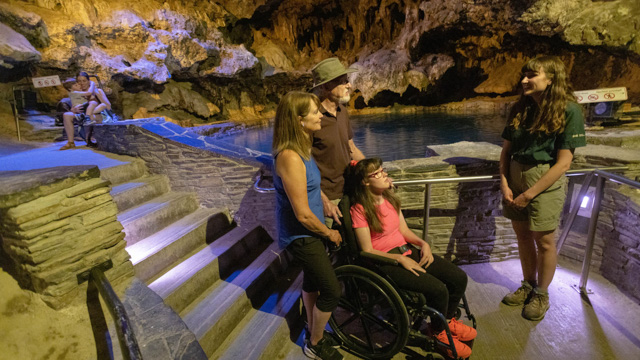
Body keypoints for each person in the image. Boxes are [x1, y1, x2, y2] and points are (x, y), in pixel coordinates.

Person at [345, 158, 476, 359]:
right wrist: (399, 260)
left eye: (383, 170)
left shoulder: (390, 200)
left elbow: (404, 231)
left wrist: (423, 244)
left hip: (406, 250)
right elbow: (366, 249)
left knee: (458, 277)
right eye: (377, 173)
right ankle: (439, 334)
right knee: (438, 289)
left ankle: (447, 321)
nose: (384, 174)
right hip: (386, 261)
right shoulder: (359, 209)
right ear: (365, 182)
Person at [499, 56, 586, 321]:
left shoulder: (569, 111)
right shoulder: (520, 109)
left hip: (544, 180)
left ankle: (541, 293)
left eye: (532, 75)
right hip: (515, 175)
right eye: (524, 75)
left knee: (545, 241)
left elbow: (563, 163)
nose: (524, 80)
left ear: (551, 79)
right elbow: (505, 153)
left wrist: (529, 193)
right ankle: (527, 284)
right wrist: (505, 183)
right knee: (523, 236)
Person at [272, 91, 344, 360]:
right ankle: (315, 343)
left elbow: (309, 185)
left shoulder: (303, 146)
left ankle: (312, 327)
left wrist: (324, 200)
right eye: (314, 112)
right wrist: (329, 233)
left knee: (312, 283)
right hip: (301, 235)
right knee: (332, 289)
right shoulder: (289, 156)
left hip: (310, 230)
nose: (319, 115)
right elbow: (302, 214)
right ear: (299, 119)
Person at [310, 58, 365, 228]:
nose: (348, 85)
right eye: (342, 82)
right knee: (330, 246)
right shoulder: (312, 118)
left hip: (347, 190)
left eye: (346, 81)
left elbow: (351, 147)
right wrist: (323, 200)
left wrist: (372, 171)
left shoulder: (342, 111)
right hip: (326, 198)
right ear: (325, 87)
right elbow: (302, 165)